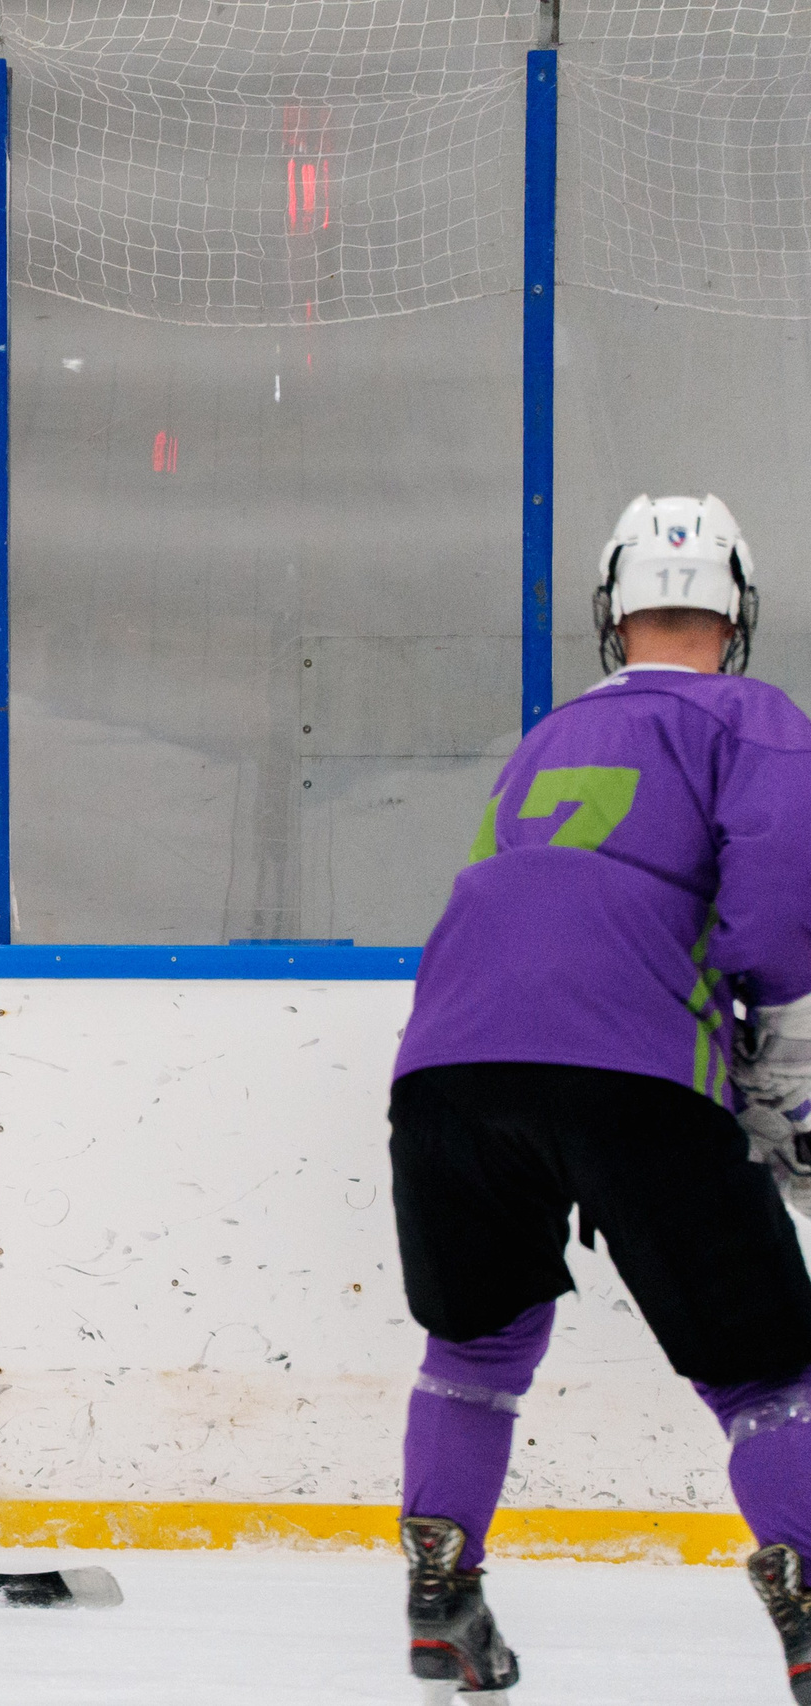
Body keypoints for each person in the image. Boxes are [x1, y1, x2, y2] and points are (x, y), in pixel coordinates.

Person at [390, 493, 811, 1702]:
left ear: (606, 611)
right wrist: (784, 1091)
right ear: (736, 611)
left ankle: (442, 1583)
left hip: (448, 1075)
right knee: (764, 1371)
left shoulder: (545, 737)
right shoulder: (752, 716)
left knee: (473, 1345)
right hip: (630, 1071)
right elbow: (783, 911)